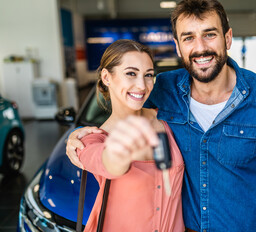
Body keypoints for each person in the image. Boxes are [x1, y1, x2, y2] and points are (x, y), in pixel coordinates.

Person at [67, 0, 256, 232]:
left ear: (227, 38)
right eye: (189, 37)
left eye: (210, 34)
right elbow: (125, 102)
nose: (200, 48)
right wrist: (78, 136)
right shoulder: (162, 89)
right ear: (178, 46)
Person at [72, 39, 185, 232]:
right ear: (106, 77)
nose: (141, 85)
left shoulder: (168, 120)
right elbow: (107, 163)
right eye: (131, 73)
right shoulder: (93, 139)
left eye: (148, 75)